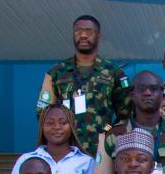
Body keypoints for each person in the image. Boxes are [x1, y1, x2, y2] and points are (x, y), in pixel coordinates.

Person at [36, 14, 132, 157]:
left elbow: (125, 115)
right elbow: (43, 113)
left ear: (99, 36)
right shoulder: (56, 73)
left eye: (89, 31)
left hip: (101, 151)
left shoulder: (114, 73)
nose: (83, 35)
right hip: (66, 151)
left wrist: (106, 131)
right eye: (78, 31)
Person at [6, 104, 94, 174]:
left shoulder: (86, 162)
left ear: (71, 126)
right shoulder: (25, 160)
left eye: (63, 122)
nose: (56, 127)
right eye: (50, 123)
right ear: (42, 127)